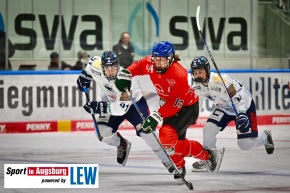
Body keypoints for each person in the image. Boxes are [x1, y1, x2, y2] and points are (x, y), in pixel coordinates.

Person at [114, 41, 225, 185]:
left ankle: (206, 156)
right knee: (174, 143)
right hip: (169, 105)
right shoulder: (151, 63)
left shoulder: (179, 74)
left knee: (167, 138)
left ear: (171, 58)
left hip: (187, 108)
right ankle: (186, 164)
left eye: (163, 59)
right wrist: (126, 74)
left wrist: (156, 115)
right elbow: (140, 65)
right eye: (157, 59)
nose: (159, 63)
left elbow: (175, 104)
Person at [76, 51, 174, 171]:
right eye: (108, 68)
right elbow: (92, 62)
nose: (112, 71)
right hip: (111, 103)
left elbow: (121, 109)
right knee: (102, 133)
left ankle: (168, 161)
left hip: (134, 105)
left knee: (147, 133)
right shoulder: (96, 66)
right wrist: (84, 75)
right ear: (102, 67)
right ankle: (121, 144)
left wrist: (98, 107)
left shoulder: (125, 79)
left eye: (114, 67)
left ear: (118, 66)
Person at [190, 56, 275, 172]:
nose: (198, 75)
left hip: (243, 104)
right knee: (208, 129)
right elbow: (196, 104)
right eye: (195, 72)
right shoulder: (196, 86)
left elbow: (237, 98)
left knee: (245, 144)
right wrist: (191, 116)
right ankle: (209, 158)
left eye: (200, 72)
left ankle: (265, 137)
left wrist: (242, 114)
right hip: (224, 107)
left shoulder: (221, 80)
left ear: (207, 71)